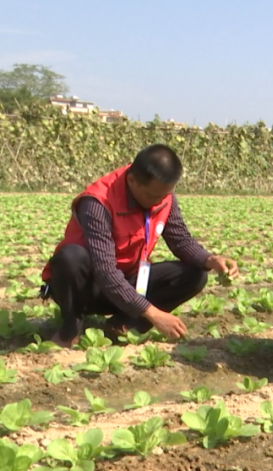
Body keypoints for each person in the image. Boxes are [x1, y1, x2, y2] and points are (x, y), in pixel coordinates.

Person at [40, 144, 239, 347]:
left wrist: (211, 260)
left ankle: (123, 324)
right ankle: (70, 328)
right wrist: (154, 314)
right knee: (71, 257)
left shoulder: (162, 195)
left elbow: (181, 240)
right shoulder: (98, 202)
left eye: (165, 195)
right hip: (89, 288)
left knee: (195, 275)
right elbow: (105, 271)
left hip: (131, 281)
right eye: (153, 196)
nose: (158, 202)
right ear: (132, 180)